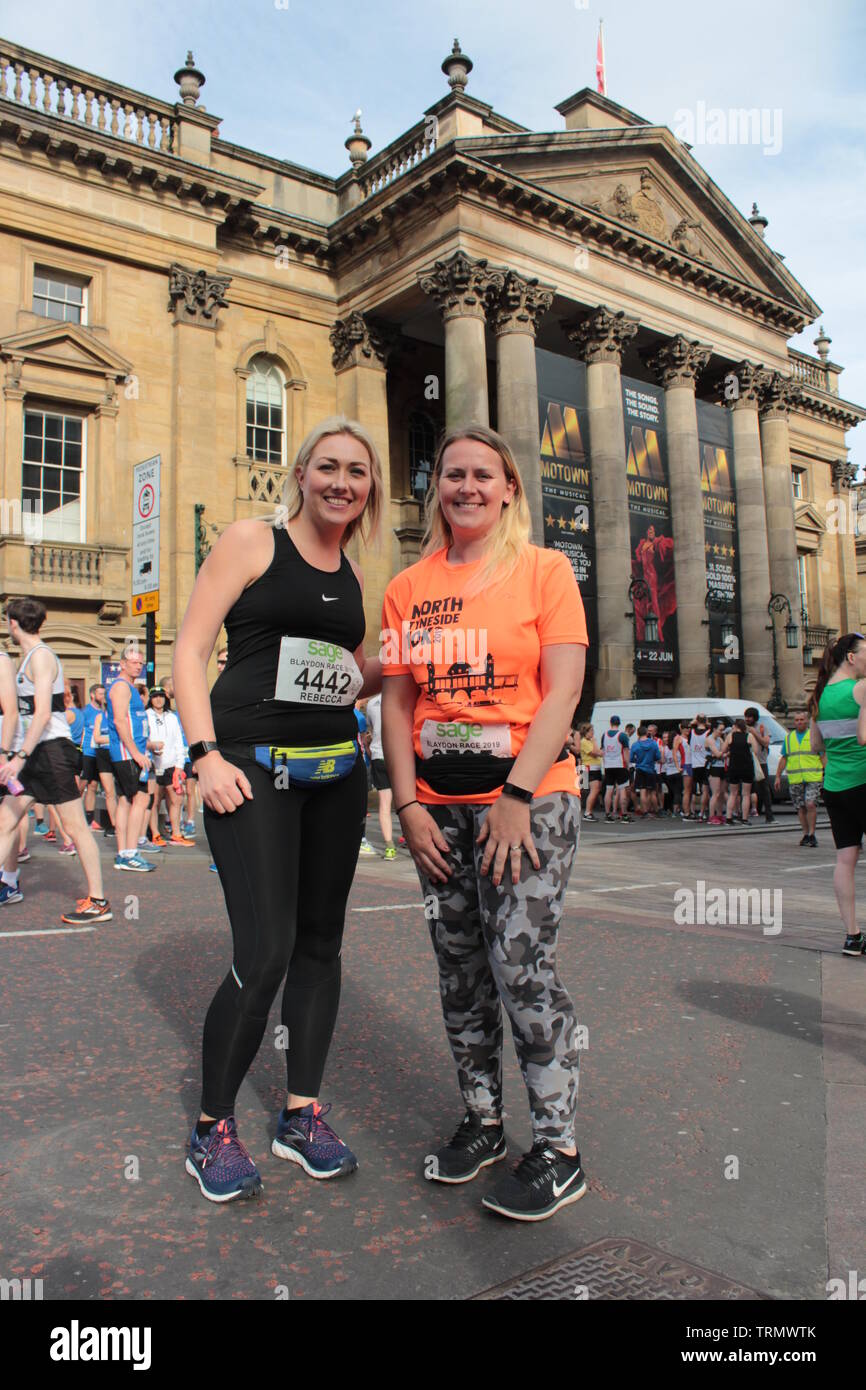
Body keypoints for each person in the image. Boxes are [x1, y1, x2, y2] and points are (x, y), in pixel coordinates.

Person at [382, 423, 588, 1223]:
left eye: (483, 475)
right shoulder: (407, 587)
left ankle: (559, 1147)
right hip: (439, 808)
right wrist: (406, 804)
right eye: (452, 474)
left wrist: (516, 795)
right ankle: (483, 1120)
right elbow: (400, 704)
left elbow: (563, 689)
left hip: (529, 802)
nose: (466, 487)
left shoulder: (544, 571)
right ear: (438, 486)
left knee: (519, 963)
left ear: (508, 489)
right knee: (459, 967)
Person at [175, 416, 382, 1202]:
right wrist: (204, 757)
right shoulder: (250, 542)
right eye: (327, 467)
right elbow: (191, 650)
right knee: (263, 951)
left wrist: (385, 669)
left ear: (370, 488)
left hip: (335, 773)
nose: (341, 481)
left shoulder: (355, 572)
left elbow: (333, 676)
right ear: (301, 475)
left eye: (357, 472)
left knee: (321, 947)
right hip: (250, 769)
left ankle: (300, 1114)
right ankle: (211, 1129)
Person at [0, 598, 111, 923]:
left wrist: (18, 757)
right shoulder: (28, 659)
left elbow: (44, 714)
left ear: (14, 623)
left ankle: (99, 901)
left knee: (75, 827)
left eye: (8, 620)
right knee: (6, 820)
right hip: (36, 754)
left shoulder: (42, 657)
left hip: (51, 752)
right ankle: (8, 883)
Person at [809, 633, 866, 955]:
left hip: (835, 786)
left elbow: (817, 746)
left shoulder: (819, 696)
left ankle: (852, 935)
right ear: (851, 657)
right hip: (862, 779)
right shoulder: (861, 689)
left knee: (845, 858)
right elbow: (863, 736)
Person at [103, 643, 155, 872]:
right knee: (141, 799)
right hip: (127, 754)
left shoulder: (130, 687)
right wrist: (135, 752)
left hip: (130, 752)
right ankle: (131, 853)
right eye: (133, 662)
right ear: (122, 664)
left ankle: (124, 852)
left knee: (125, 800)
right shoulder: (121, 687)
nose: (138, 666)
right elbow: (119, 721)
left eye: (140, 663)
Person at [145, 687, 194, 846]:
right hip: (154, 764)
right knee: (155, 799)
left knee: (176, 799)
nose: (158, 700)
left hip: (172, 765)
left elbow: (179, 742)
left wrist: (179, 765)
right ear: (150, 699)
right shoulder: (146, 716)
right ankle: (155, 833)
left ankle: (176, 833)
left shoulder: (172, 717)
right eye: (155, 697)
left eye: (161, 696)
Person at [776, 709, 824, 846]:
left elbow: (823, 756)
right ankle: (805, 834)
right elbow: (784, 758)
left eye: (801, 720)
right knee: (800, 807)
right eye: (796, 720)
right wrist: (778, 776)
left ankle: (812, 834)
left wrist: (828, 772)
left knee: (810, 804)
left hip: (813, 777)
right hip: (796, 778)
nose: (799, 722)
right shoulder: (789, 738)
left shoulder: (814, 736)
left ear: (807, 721)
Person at [365, 691, 395, 859]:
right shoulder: (404, 697)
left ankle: (390, 847)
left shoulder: (371, 703)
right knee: (409, 800)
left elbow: (371, 726)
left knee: (384, 804)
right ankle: (411, 840)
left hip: (379, 756)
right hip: (400, 757)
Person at [721, 717, 760, 825]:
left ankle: (729, 817)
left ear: (736, 726)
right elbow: (756, 751)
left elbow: (723, 750)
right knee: (746, 794)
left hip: (733, 766)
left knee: (733, 793)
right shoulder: (749, 736)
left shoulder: (730, 736)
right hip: (746, 767)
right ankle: (744, 818)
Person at [79, 684, 106, 829]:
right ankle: (73, 813)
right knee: (81, 785)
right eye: (100, 694)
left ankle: (89, 820)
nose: (102, 697)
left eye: (103, 694)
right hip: (87, 753)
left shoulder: (105, 712)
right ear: (92, 695)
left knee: (93, 786)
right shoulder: (85, 712)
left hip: (100, 753)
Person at [744, 707, 775, 823]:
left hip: (761, 762)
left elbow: (766, 742)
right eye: (746, 716)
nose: (747, 719)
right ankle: (745, 816)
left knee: (764, 789)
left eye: (750, 717)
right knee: (747, 789)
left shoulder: (762, 728)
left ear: (755, 718)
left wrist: (754, 733)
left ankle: (769, 815)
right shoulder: (743, 728)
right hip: (747, 762)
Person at [602, 714, 631, 822]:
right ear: (619, 723)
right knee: (622, 789)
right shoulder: (622, 735)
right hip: (620, 765)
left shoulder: (604, 735)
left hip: (608, 765)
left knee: (609, 789)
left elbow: (603, 750)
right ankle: (624, 815)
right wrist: (628, 765)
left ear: (610, 723)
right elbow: (626, 751)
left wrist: (605, 763)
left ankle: (607, 814)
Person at [631, 725, 661, 817]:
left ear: (638, 734)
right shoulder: (653, 743)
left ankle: (645, 811)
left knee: (643, 792)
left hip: (640, 769)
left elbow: (631, 758)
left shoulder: (635, 745)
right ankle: (656, 811)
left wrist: (638, 761)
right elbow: (658, 757)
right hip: (650, 769)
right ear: (646, 733)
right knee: (652, 792)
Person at [706, 719, 728, 825]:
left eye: (723, 730)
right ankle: (711, 816)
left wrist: (722, 753)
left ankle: (719, 814)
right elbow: (718, 754)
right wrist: (723, 754)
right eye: (720, 730)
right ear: (714, 729)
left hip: (721, 766)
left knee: (722, 792)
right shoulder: (710, 739)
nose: (722, 732)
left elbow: (724, 750)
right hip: (714, 767)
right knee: (716, 792)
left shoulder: (719, 739)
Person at [580, 723, 602, 820]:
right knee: (594, 790)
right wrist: (595, 743)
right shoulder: (584, 741)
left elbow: (600, 753)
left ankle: (589, 811)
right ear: (586, 732)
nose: (593, 733)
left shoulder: (589, 741)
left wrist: (598, 751)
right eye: (591, 731)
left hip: (596, 768)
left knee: (596, 790)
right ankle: (587, 812)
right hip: (589, 768)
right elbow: (595, 752)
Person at [689, 716, 709, 820]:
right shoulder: (708, 732)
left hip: (694, 764)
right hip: (704, 763)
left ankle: (692, 811)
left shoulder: (691, 731)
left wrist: (694, 722)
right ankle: (702, 812)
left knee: (692, 790)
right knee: (704, 790)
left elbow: (689, 725)